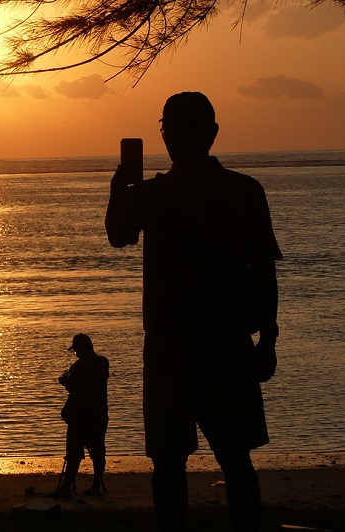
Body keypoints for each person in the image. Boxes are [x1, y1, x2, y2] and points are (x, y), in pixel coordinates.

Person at [105, 92, 282, 531]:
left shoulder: (155, 194)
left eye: (171, 129)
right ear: (212, 133)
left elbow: (117, 235)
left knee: (174, 463)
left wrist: (118, 192)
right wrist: (268, 338)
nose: (171, 138)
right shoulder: (242, 191)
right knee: (232, 459)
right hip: (222, 346)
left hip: (175, 350)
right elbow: (263, 272)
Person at [49, 333, 109, 498]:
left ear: (81, 349)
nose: (76, 353)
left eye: (76, 350)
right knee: (97, 450)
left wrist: (66, 382)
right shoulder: (103, 363)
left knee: (74, 452)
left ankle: (67, 487)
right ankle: (96, 485)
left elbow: (77, 390)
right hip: (99, 414)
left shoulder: (80, 367)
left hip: (80, 416)